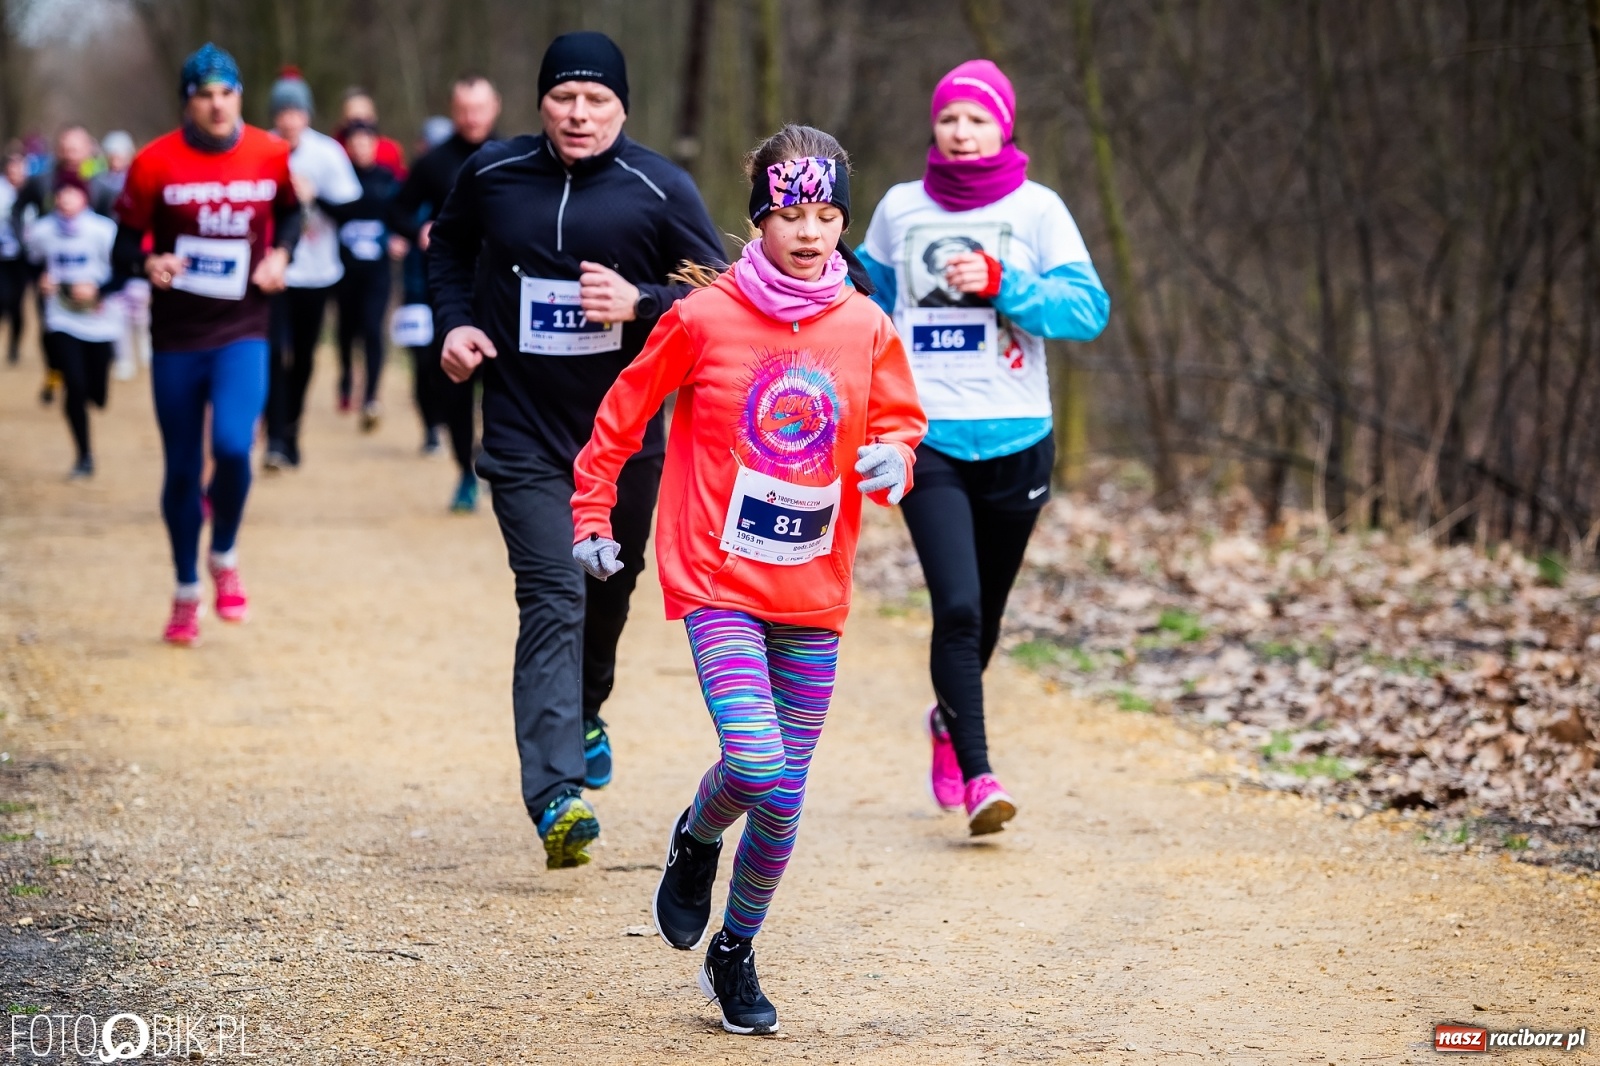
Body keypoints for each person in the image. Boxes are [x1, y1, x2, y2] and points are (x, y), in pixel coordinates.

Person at [572, 125, 925, 1035]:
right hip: (716, 577)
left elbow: (898, 424)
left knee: (786, 797)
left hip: (813, 585)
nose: (811, 232)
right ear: (759, 217)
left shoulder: (866, 324)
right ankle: (696, 836)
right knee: (759, 765)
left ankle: (735, 949)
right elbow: (622, 413)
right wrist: (591, 511)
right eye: (792, 213)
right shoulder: (702, 318)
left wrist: (894, 460)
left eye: (828, 213)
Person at [427, 32, 725, 866]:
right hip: (522, 430)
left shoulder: (659, 187)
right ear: (542, 103)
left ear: (623, 107)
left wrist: (640, 301)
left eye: (597, 100)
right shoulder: (491, 173)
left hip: (624, 440)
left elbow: (719, 295)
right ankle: (556, 792)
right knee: (553, 589)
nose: (580, 113)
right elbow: (446, 248)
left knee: (608, 592)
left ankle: (588, 708)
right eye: (565, 97)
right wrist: (455, 324)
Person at [857, 60, 1110, 835]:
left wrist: (1005, 282)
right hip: (924, 436)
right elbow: (862, 298)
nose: (961, 132)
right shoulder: (900, 209)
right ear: (932, 128)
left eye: (977, 119)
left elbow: (1087, 310)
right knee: (957, 607)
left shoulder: (1038, 210)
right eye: (949, 119)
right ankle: (979, 777)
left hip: (1018, 437)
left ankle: (947, 720)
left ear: (1004, 126)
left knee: (986, 617)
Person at [112, 42, 301, 646]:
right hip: (176, 338)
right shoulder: (152, 164)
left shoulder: (271, 154)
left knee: (233, 445)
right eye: (205, 95)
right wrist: (151, 263)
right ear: (187, 102)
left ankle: (223, 553)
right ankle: (186, 587)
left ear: (240, 95)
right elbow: (124, 246)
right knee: (182, 470)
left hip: (242, 328)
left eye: (227, 92)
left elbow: (292, 213)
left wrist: (279, 254)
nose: (218, 105)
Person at [388, 74, 500, 510]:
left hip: (503, 293)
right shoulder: (434, 162)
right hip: (450, 292)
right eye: (464, 109)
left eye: (480, 108)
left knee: (500, 389)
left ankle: (494, 461)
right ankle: (464, 471)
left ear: (495, 108)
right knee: (454, 388)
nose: (472, 117)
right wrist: (419, 228)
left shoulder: (516, 155)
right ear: (454, 111)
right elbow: (395, 210)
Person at [263, 68, 361, 468]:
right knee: (271, 354)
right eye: (282, 111)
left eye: (296, 110)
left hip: (318, 272)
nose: (289, 119)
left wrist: (314, 197)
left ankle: (290, 431)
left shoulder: (327, 154)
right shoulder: (262, 149)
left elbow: (352, 210)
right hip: (274, 271)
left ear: (307, 114)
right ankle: (272, 439)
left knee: (302, 358)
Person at [25, 169, 121, 477]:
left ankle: (94, 392)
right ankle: (84, 456)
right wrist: (42, 281)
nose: (65, 200)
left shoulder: (103, 231)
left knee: (98, 394)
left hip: (100, 319)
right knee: (75, 386)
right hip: (61, 318)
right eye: (61, 194)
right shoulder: (42, 231)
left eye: (72, 193)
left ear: (85, 197)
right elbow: (31, 263)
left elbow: (123, 272)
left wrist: (98, 291)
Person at [321, 118, 399, 428]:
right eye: (354, 144)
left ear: (375, 145)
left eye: (366, 143)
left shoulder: (387, 179)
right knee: (345, 331)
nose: (360, 149)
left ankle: (370, 397)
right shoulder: (340, 179)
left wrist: (397, 236)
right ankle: (344, 379)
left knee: (372, 328)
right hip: (344, 270)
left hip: (377, 272)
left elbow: (401, 213)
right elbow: (330, 210)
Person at [13, 125, 96, 404]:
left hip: (90, 274)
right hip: (48, 270)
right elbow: (17, 209)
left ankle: (83, 376)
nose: (71, 154)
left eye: (77, 148)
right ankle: (54, 370)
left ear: (88, 150)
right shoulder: (42, 182)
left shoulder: (101, 184)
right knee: (50, 328)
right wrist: (26, 245)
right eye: (66, 148)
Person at [92, 131, 152, 380]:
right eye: (112, 155)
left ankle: (146, 345)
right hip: (111, 252)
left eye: (121, 155)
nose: (116, 160)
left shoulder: (141, 179)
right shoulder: (98, 183)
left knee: (140, 305)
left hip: (138, 249)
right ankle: (123, 358)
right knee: (117, 307)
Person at [335, 88, 407, 180]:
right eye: (354, 121)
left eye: (366, 119)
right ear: (342, 121)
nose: (360, 127)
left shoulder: (390, 150)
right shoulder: (334, 150)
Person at [0, 148, 27, 365]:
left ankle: (15, 346)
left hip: (24, 258)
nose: (16, 171)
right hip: (3, 257)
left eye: (20, 167)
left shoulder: (33, 190)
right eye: (12, 167)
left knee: (18, 305)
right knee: (3, 299)